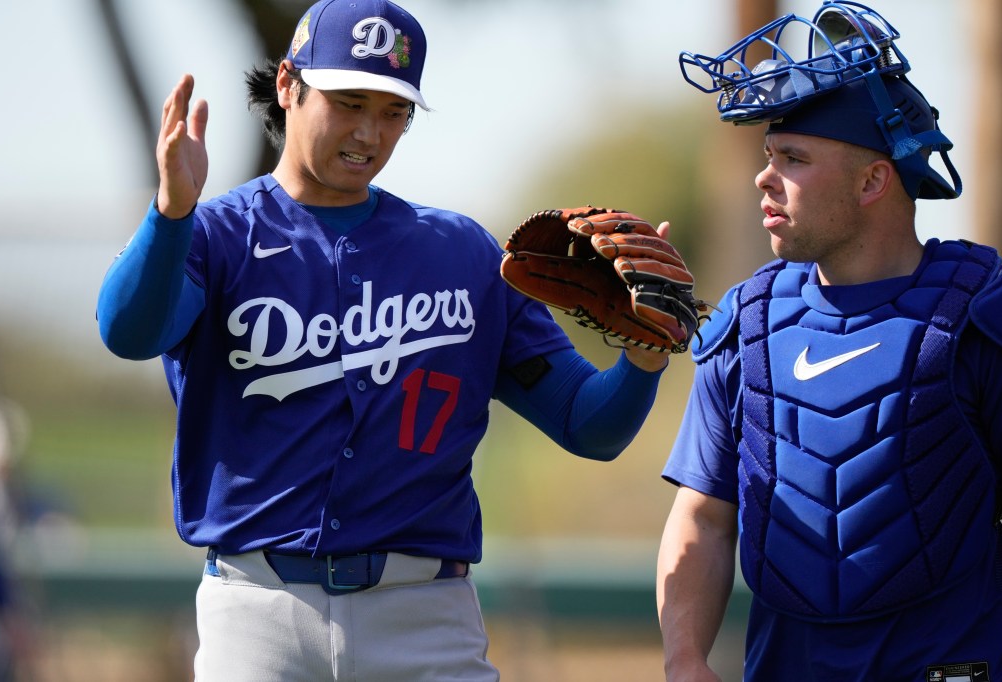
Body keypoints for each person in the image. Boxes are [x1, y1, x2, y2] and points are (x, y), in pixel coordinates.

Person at [96, 0, 678, 679]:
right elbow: (129, 332)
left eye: (393, 111)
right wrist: (171, 214)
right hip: (258, 612)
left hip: (425, 615)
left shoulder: (464, 254)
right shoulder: (215, 236)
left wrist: (641, 361)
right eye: (348, 103)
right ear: (287, 85)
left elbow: (587, 424)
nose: (369, 132)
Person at [657, 2, 1002, 681]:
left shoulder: (980, 315)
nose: (764, 177)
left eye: (793, 158)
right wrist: (684, 659)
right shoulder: (747, 323)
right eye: (768, 156)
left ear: (873, 180)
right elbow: (703, 518)